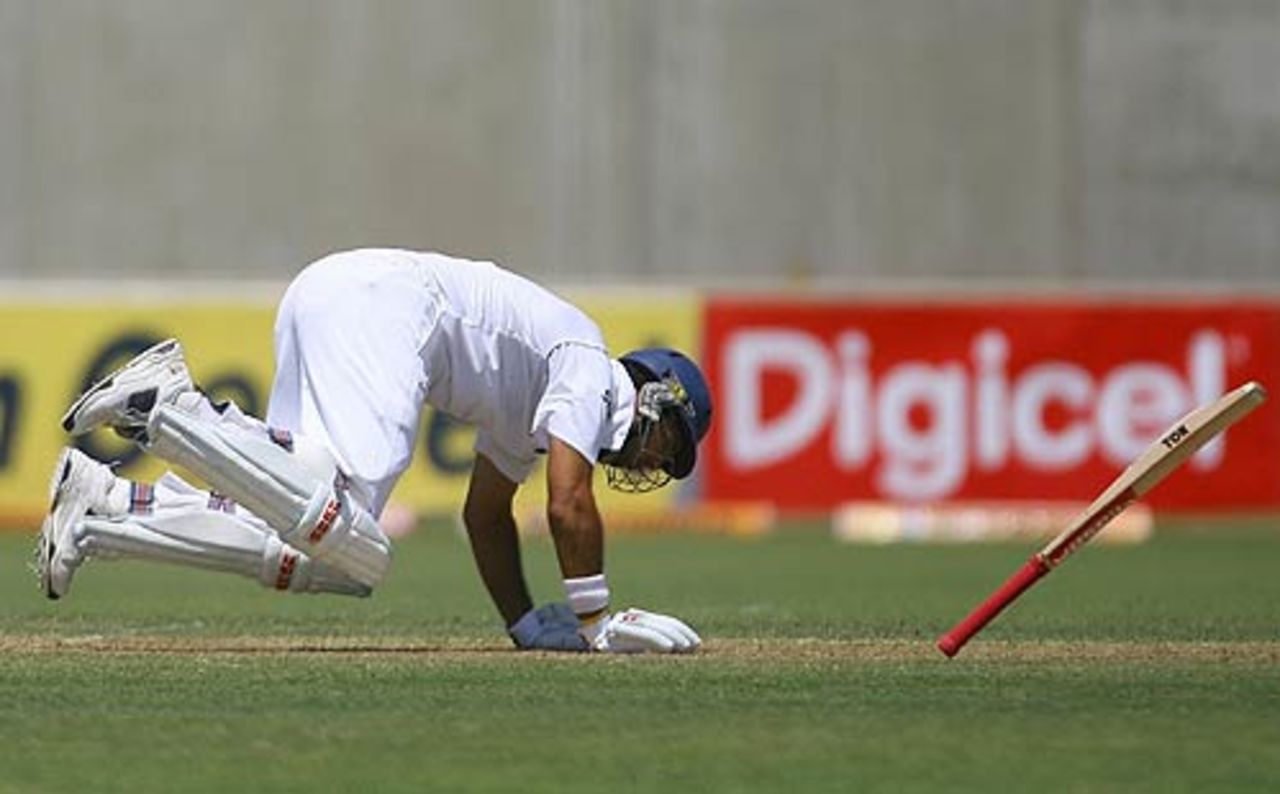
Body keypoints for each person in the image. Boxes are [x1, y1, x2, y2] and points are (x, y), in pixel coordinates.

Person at [37, 248, 713, 654]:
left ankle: (107, 510)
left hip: (343, 292)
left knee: (325, 545)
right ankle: (170, 408)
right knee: (352, 528)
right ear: (656, 398)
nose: (653, 465)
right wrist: (596, 621)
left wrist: (528, 624)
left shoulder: (533, 411)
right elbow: (568, 503)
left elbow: (485, 517)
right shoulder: (592, 369)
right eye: (667, 446)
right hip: (383, 305)